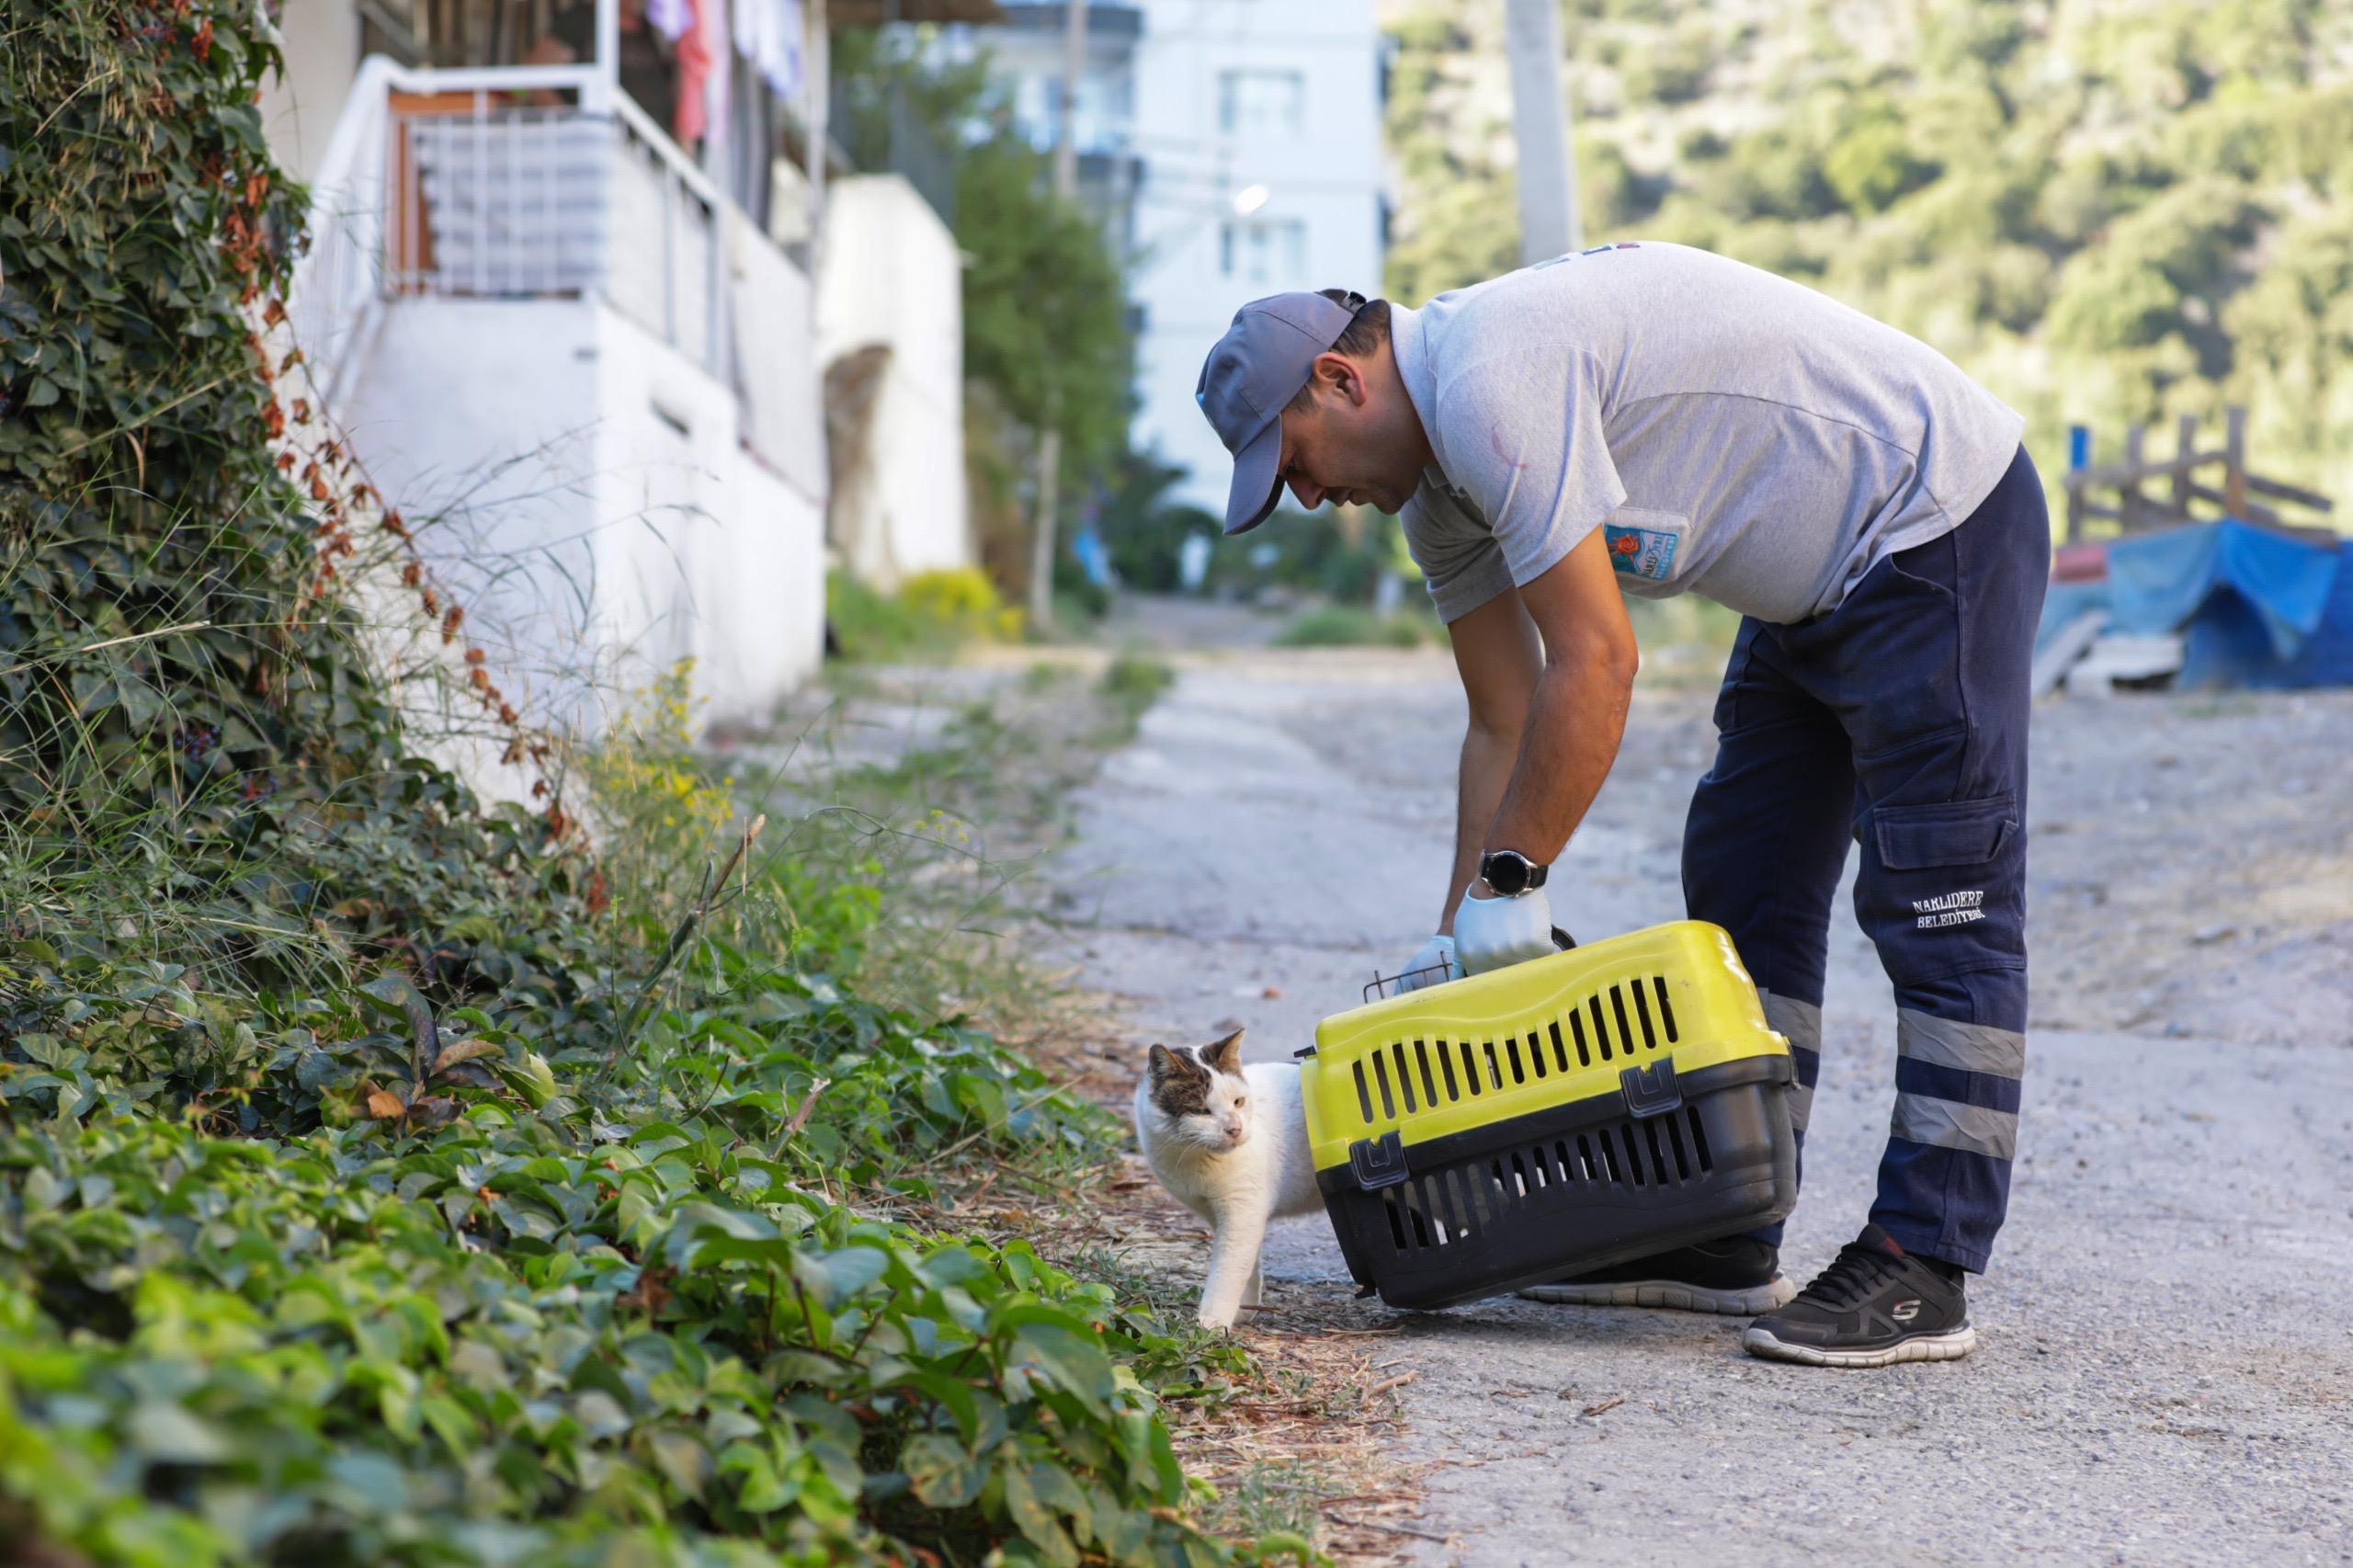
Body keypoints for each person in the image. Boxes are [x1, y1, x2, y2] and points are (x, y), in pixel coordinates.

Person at [1191, 242, 2045, 1369]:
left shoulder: (1493, 379)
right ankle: (1728, 1229)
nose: (1305, 497)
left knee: (1939, 899)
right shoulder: (1437, 499)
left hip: (1932, 523)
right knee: (1745, 878)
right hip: (1803, 597)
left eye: (1293, 461)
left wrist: (1515, 881)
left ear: (1342, 382)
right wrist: (1459, 938)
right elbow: (1501, 719)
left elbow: (1594, 664)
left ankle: (1925, 1261)